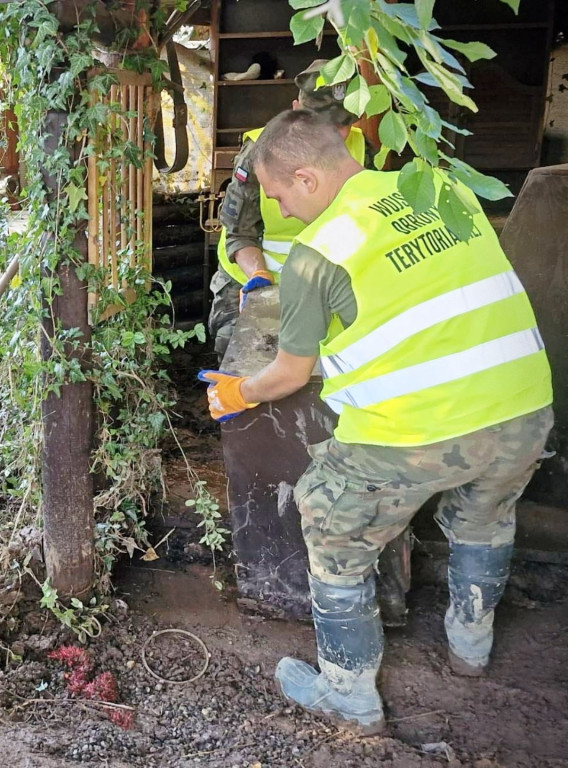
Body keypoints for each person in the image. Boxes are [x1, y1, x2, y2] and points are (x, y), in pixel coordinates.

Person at [200, 109, 553, 734]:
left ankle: (348, 695)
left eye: (282, 193)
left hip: (419, 434)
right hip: (525, 411)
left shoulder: (318, 254)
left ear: (307, 178)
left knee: (332, 530)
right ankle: (470, 652)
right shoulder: (442, 190)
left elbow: (288, 372)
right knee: (485, 517)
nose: (282, 204)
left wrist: (237, 393)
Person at [209, 60, 368, 357]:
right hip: (252, 278)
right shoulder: (259, 152)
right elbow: (239, 233)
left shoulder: (363, 151)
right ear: (296, 110)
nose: (334, 134)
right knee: (238, 355)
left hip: (321, 286)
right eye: (321, 124)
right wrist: (259, 277)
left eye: (344, 123)